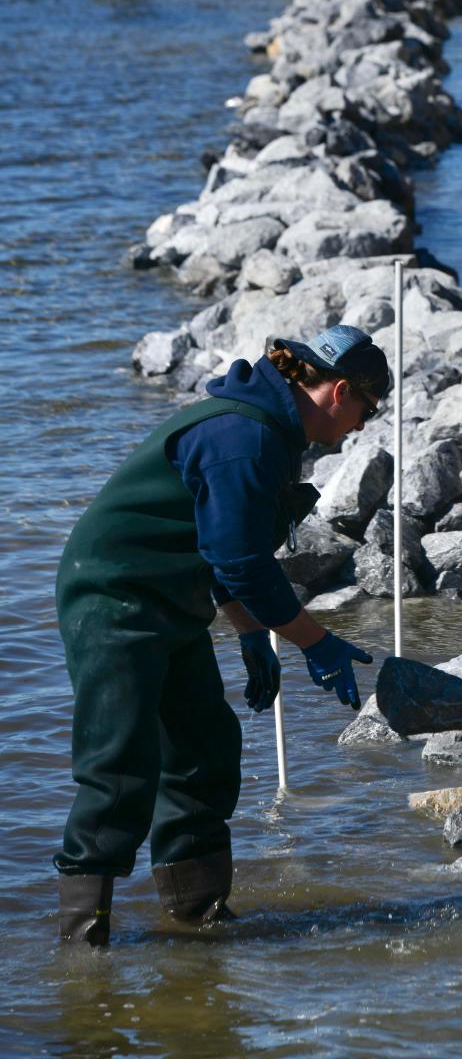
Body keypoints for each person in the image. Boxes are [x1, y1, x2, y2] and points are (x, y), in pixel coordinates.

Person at [55, 324, 390, 947]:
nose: (363, 428)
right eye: (366, 411)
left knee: (203, 750)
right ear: (339, 391)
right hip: (114, 595)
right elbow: (239, 560)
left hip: (168, 596)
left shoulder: (271, 430)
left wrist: (250, 633)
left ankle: (197, 916)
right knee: (120, 764)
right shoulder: (245, 436)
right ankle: (83, 947)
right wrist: (314, 640)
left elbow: (218, 545)